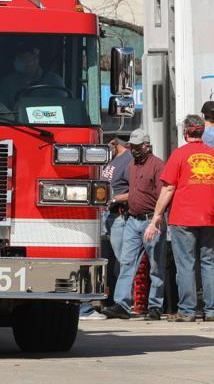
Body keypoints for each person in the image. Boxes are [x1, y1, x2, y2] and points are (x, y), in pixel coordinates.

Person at [147, 114, 214, 322]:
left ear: (186, 132)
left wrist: (156, 215)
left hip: (183, 216)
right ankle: (211, 311)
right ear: (201, 131)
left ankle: (187, 310)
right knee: (209, 262)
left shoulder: (179, 155)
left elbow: (168, 189)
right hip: (209, 216)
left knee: (186, 264)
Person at [101, 129, 166, 320]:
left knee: (156, 266)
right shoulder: (132, 165)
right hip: (132, 220)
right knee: (126, 263)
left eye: (138, 147)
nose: (135, 150)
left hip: (150, 221)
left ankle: (155, 306)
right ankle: (121, 304)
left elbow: (164, 194)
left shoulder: (157, 165)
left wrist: (156, 220)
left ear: (147, 146)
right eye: (132, 147)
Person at [82, 136, 133, 320]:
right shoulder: (109, 160)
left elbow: (134, 191)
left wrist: (114, 199)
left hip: (118, 217)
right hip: (105, 218)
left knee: (122, 262)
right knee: (106, 263)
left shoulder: (128, 161)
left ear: (114, 143)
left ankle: (122, 303)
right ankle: (108, 302)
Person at [0, 45, 64, 106]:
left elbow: (61, 110)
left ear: (35, 59)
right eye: (17, 57)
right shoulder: (8, 82)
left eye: (23, 58)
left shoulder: (54, 82)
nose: (18, 61)